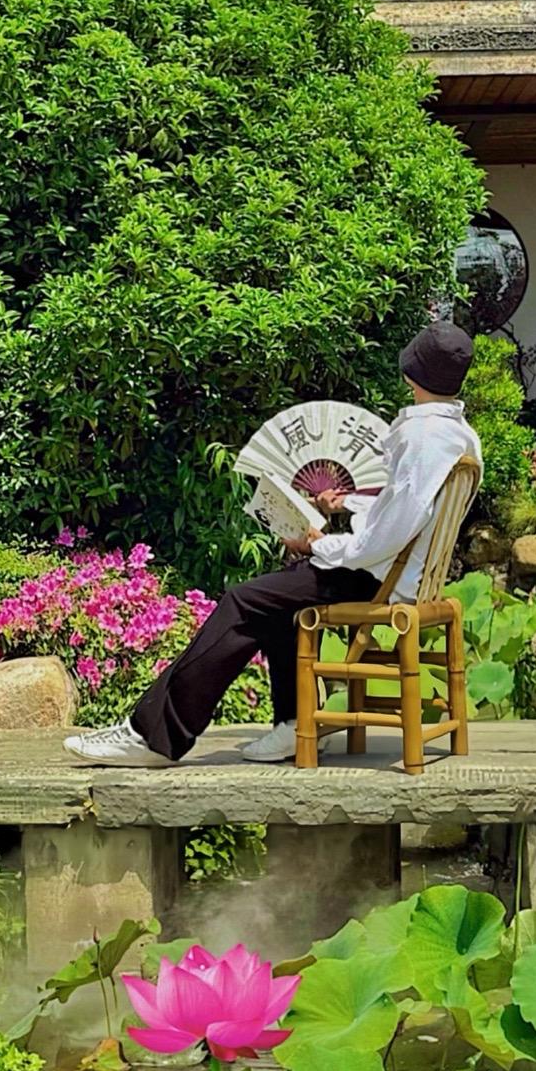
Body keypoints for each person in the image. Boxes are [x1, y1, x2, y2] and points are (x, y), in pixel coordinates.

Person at [64, 321, 482, 768]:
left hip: (377, 578)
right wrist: (349, 504)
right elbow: (409, 509)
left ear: (409, 373)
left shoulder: (420, 436)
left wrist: (321, 544)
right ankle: (291, 723)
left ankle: (153, 737)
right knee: (278, 594)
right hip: (406, 575)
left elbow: (391, 533)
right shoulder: (459, 435)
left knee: (244, 601)